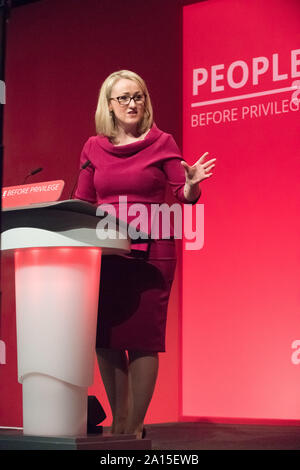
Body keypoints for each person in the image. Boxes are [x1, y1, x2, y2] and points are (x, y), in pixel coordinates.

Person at [74, 70, 216, 439]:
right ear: (109, 105)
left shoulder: (162, 142)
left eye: (138, 96)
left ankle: (135, 426)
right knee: (105, 339)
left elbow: (181, 193)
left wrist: (190, 185)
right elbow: (82, 200)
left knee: (141, 340)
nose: (133, 103)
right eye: (124, 98)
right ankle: (119, 421)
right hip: (105, 254)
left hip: (151, 254)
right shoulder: (93, 147)